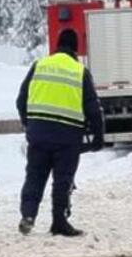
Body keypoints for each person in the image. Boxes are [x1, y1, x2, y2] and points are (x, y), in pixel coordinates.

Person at [15, 29, 104, 237]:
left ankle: (28, 214)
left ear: (57, 45)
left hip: (38, 134)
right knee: (63, 180)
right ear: (76, 49)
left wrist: (29, 125)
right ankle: (59, 221)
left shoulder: (39, 65)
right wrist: (98, 137)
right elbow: (93, 109)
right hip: (67, 137)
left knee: (35, 176)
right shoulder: (79, 72)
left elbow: (21, 100)